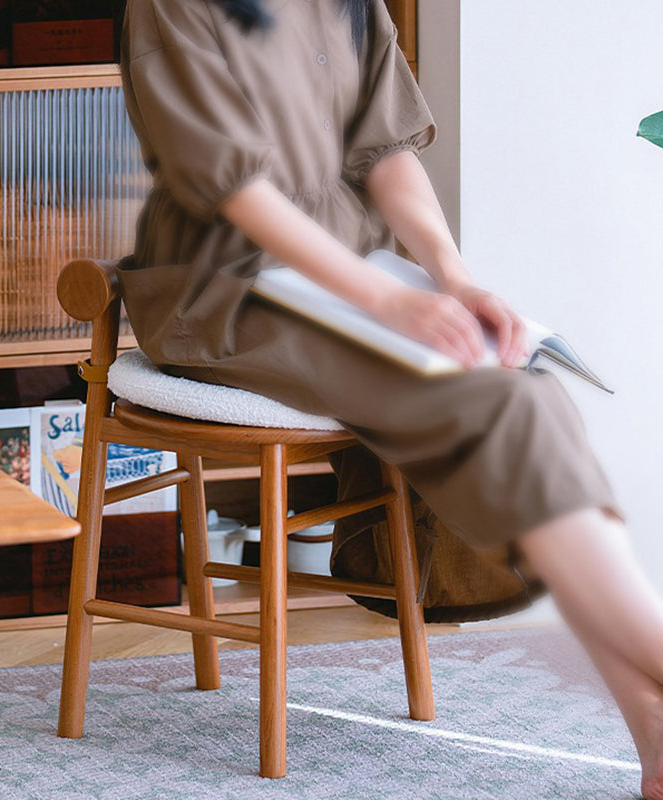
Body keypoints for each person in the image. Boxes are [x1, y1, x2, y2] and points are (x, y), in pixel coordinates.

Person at [117, 0, 663, 795]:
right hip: (223, 292)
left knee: (532, 395)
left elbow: (386, 152)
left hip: (357, 275)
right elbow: (236, 190)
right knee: (501, 412)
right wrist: (387, 304)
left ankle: (653, 736)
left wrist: (453, 276)